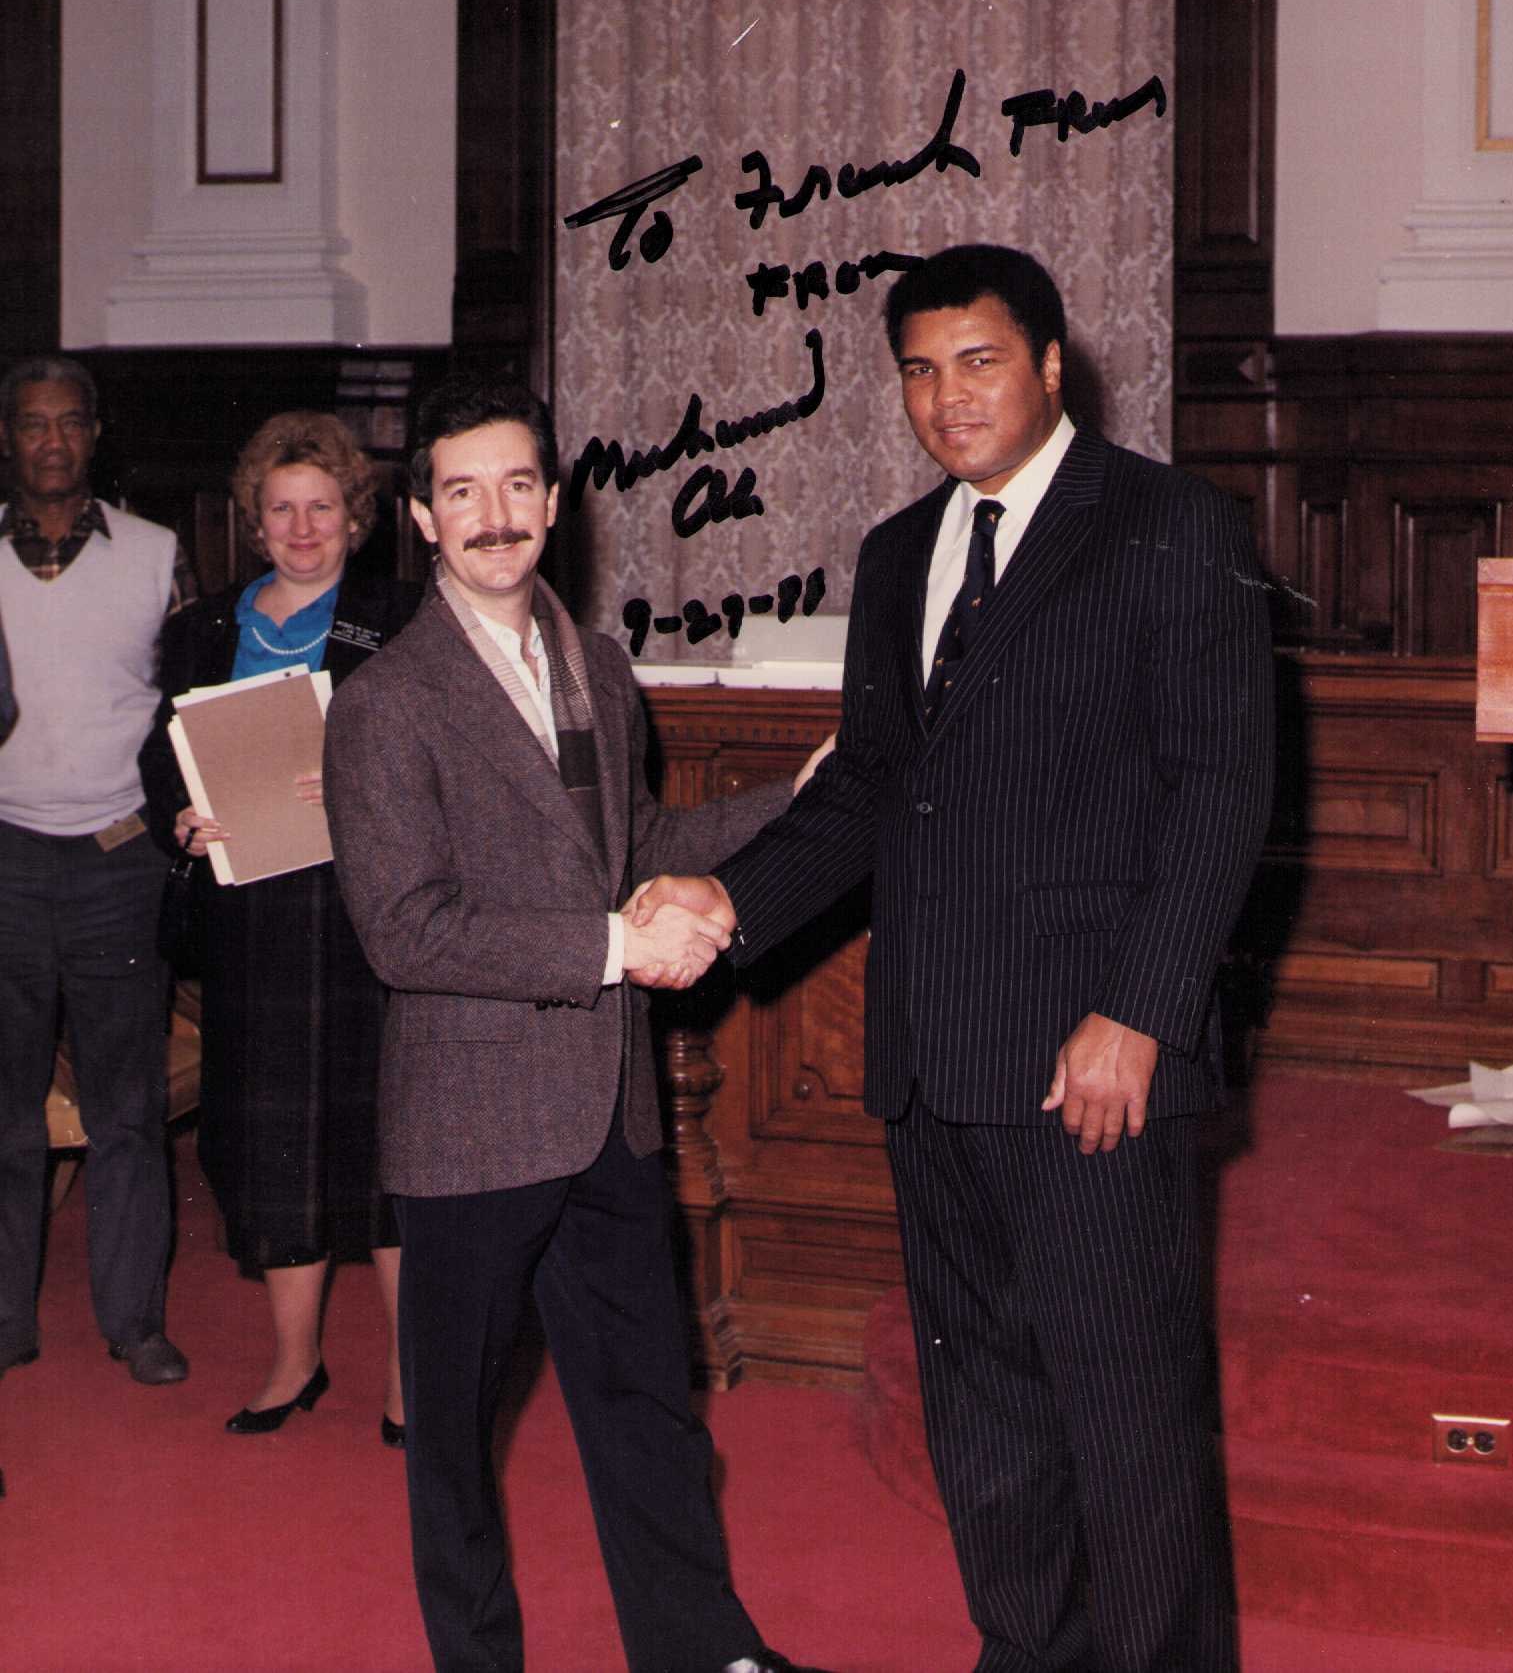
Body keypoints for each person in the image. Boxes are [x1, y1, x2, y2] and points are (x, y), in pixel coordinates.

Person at [636, 244, 1277, 1673]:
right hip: (931, 1059)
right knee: (984, 1415)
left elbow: (1221, 792)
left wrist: (1138, 1013)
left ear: (1052, 365)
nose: (945, 398)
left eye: (977, 361)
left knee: (1125, 1420)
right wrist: (729, 904)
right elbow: (866, 791)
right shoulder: (894, 554)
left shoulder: (1170, 525)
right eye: (917, 370)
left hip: (1089, 1061)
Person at [321, 377, 832, 1673]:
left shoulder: (594, 663)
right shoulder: (387, 702)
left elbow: (638, 844)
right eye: (459, 492)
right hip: (471, 1126)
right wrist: (615, 946)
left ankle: (701, 1649)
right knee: (454, 1436)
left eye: (514, 486)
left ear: (552, 500)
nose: (493, 515)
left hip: (606, 1110)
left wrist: (794, 801)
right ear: (423, 521)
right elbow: (406, 929)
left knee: (647, 1408)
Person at [141, 411, 421, 1438]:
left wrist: (361, 779)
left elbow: (444, 757)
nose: (303, 529)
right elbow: (160, 753)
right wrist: (181, 814)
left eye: (323, 508)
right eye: (281, 510)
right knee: (272, 1147)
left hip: (366, 916)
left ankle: (407, 1379)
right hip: (249, 912)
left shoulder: (401, 617)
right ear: (254, 524)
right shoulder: (202, 628)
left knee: (384, 1144)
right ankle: (294, 1363)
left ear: (357, 519)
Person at [0, 354, 192, 1386]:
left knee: (126, 1108)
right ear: (7, 437)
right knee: (3, 1108)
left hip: (121, 862)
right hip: (3, 858)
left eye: (70, 423)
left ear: (95, 433)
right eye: (32, 424)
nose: (52, 442)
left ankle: (134, 1321)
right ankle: (3, 1318)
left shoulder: (158, 555)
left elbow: (188, 708)